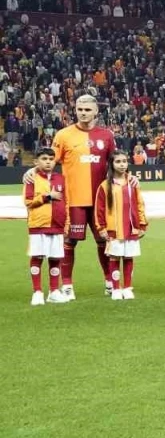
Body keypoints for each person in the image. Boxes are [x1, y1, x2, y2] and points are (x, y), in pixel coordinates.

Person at [51, 94, 116, 299]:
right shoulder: (63, 135)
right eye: (80, 109)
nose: (83, 113)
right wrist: (33, 172)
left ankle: (110, 282)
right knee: (69, 241)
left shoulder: (106, 135)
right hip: (73, 200)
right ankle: (67, 285)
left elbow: (115, 164)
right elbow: (49, 162)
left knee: (104, 240)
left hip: (100, 201)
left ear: (96, 111)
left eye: (87, 110)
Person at [94, 149, 147, 300]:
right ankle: (116, 288)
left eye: (124, 161)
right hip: (114, 229)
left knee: (129, 257)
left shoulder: (133, 183)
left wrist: (142, 224)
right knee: (114, 258)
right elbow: (99, 208)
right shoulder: (105, 185)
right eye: (118, 161)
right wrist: (101, 228)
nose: (122, 164)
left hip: (131, 228)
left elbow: (140, 204)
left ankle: (128, 288)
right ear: (111, 164)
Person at [25, 147, 69, 306]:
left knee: (55, 258)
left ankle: (54, 291)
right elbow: (28, 201)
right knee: (37, 257)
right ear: (36, 162)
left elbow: (66, 202)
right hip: (39, 224)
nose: (48, 162)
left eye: (51, 159)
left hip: (57, 224)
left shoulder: (61, 178)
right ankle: (37, 292)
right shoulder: (32, 178)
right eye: (44, 159)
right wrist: (47, 196)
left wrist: (66, 223)